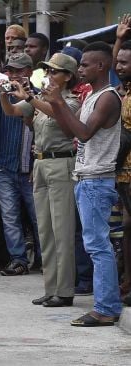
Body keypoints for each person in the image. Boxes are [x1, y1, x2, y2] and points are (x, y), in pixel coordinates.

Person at [45, 42, 123, 326]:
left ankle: (105, 308)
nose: (80, 69)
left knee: (98, 246)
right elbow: (70, 131)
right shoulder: (91, 94)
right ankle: (107, 306)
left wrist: (59, 102)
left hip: (96, 180)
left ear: (101, 66)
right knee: (96, 246)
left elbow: (85, 133)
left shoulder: (107, 97)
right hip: (86, 178)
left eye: (85, 65)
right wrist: (55, 101)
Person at [0, 53, 81, 305]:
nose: (49, 75)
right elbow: (12, 110)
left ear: (68, 77)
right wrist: (3, 93)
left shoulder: (72, 101)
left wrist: (32, 98)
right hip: (42, 163)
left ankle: (65, 291)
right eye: (47, 71)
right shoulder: (42, 99)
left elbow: (59, 115)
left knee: (62, 230)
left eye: (55, 71)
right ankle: (51, 288)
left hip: (62, 163)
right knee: (45, 229)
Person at [0, 53, 39, 276]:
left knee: (38, 217)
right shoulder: (0, 95)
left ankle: (43, 259)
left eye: (19, 71)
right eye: (10, 70)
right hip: (4, 166)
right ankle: (18, 260)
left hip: (32, 168)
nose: (14, 75)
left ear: (30, 71)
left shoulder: (38, 97)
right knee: (10, 217)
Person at [113, 14, 131, 305]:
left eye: (124, 63)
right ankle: (127, 280)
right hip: (124, 174)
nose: (119, 66)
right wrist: (117, 39)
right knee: (127, 227)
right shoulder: (124, 90)